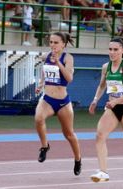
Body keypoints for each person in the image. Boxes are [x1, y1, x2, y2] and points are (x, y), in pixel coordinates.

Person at [89, 38, 123, 182]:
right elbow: (101, 86)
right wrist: (95, 100)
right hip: (112, 108)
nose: (112, 52)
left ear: (122, 50)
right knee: (100, 135)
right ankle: (103, 172)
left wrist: (116, 101)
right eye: (110, 49)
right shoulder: (106, 67)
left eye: (115, 50)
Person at [34, 32, 82, 176]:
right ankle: (44, 146)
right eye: (51, 42)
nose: (53, 45)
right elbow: (45, 71)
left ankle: (78, 159)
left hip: (63, 102)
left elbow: (69, 78)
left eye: (56, 42)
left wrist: (58, 63)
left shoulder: (68, 58)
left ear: (63, 44)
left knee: (68, 134)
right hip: (47, 99)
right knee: (38, 118)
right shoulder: (46, 56)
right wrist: (41, 84)